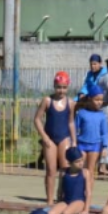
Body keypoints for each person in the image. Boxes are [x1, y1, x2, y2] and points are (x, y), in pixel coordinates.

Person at [34, 72, 76, 205]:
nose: (61, 90)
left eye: (64, 87)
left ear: (68, 87)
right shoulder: (47, 101)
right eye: (58, 87)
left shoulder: (70, 103)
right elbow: (37, 120)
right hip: (50, 139)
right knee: (51, 170)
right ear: (54, 86)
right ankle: (50, 199)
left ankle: (62, 197)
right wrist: (44, 137)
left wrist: (74, 140)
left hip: (64, 138)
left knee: (64, 170)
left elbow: (70, 123)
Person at [74, 84, 108, 201]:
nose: (99, 102)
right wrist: (74, 142)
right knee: (80, 170)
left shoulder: (102, 115)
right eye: (97, 99)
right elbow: (75, 128)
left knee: (90, 171)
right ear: (90, 99)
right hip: (82, 144)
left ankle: (88, 196)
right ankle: (78, 193)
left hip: (95, 145)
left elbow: (104, 132)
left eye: (101, 100)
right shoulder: (81, 113)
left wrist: (105, 147)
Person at [48, 148, 89, 214]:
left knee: (66, 213)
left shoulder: (85, 173)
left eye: (82, 160)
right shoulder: (63, 172)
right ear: (70, 163)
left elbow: (88, 192)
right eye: (77, 161)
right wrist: (58, 203)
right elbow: (60, 190)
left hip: (79, 201)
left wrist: (86, 209)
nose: (81, 163)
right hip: (66, 201)